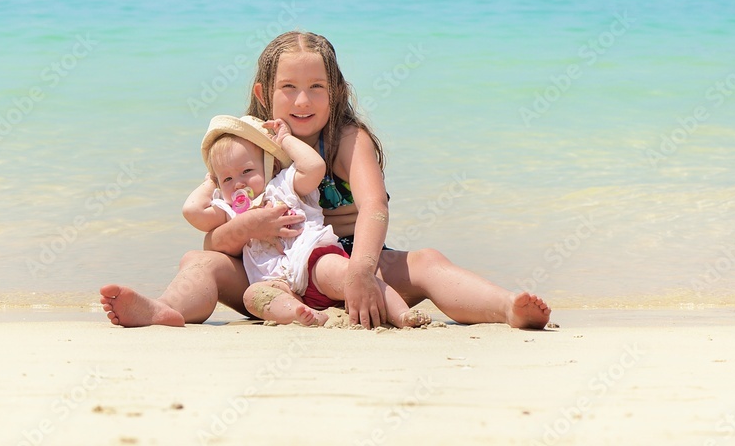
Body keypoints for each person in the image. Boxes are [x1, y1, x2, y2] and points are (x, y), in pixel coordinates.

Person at [101, 31, 551, 330]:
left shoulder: (347, 139)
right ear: (264, 94)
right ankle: (165, 310)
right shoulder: (246, 147)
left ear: (335, 91)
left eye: (317, 87)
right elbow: (214, 238)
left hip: (349, 265)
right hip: (267, 276)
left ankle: (506, 307)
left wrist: (360, 269)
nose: (302, 100)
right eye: (288, 88)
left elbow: (374, 206)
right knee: (197, 264)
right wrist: (247, 228)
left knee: (428, 261)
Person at [189, 114, 432, 328]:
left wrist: (285, 139)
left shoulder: (284, 185)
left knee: (347, 273)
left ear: (269, 164)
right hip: (277, 282)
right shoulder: (230, 210)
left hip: (313, 263)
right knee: (253, 296)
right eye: (228, 178)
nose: (238, 184)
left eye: (246, 171)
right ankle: (299, 313)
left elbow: (315, 167)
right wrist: (212, 180)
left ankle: (401, 314)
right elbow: (193, 212)